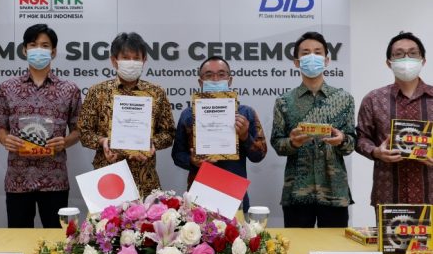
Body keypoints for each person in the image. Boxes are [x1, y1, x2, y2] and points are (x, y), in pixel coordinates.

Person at [0, 24, 81, 228]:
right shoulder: (7, 87)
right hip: (18, 178)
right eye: (33, 45)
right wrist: (5, 139)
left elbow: (79, 131)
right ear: (24, 50)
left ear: (54, 51)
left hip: (55, 178)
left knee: (57, 237)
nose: (38, 50)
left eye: (44, 45)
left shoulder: (69, 89)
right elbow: (0, 129)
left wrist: (65, 142)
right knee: (18, 237)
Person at [271, 32, 355, 228]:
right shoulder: (284, 102)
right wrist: (292, 143)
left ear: (326, 60)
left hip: (334, 192)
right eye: (305, 52)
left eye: (317, 52)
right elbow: (277, 143)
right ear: (296, 62)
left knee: (335, 246)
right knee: (297, 247)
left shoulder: (344, 99)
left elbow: (352, 143)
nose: (312, 57)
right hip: (297, 193)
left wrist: (342, 140)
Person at [78, 32, 175, 197]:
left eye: (136, 58)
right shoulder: (97, 92)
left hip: (145, 177)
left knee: (148, 215)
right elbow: (84, 133)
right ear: (114, 60)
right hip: (108, 176)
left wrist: (151, 143)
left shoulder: (156, 93)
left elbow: (169, 133)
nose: (131, 62)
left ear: (144, 60)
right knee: (107, 215)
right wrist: (103, 142)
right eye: (125, 57)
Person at [171, 56, 267, 212]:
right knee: (196, 228)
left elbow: (259, 155)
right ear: (200, 82)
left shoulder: (245, 113)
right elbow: (177, 155)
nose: (215, 80)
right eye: (209, 75)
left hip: (234, 191)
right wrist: (192, 160)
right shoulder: (188, 115)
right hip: (199, 193)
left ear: (230, 80)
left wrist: (244, 137)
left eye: (221, 74)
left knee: (238, 228)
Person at [356, 32, 433, 209]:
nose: (406, 58)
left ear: (423, 60)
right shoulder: (374, 99)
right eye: (399, 54)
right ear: (389, 62)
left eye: (413, 53)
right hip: (389, 196)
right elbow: (360, 138)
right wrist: (376, 152)